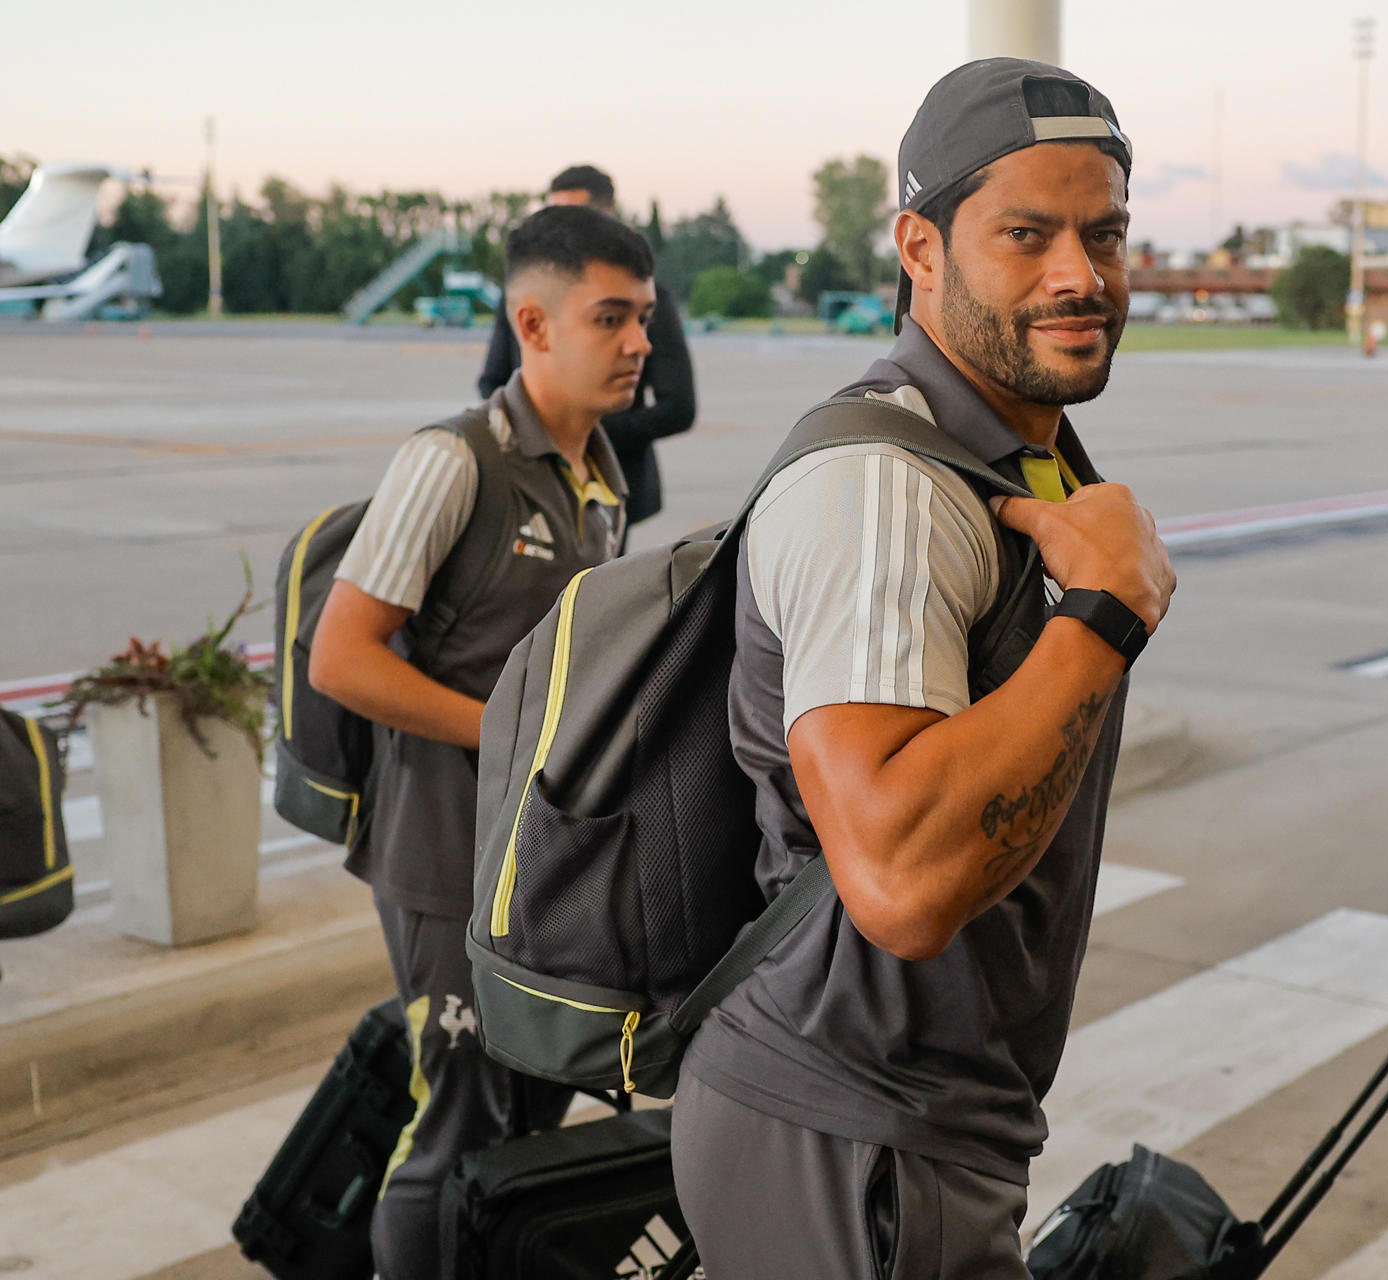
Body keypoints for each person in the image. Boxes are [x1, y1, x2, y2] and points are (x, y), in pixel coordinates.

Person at [670, 58, 1175, 1278]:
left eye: (1105, 234)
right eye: (1027, 234)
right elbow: (896, 875)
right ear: (921, 247)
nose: (1081, 275)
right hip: (852, 1122)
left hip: (918, 1115)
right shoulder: (887, 486)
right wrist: (1104, 616)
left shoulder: (1015, 453)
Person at [309, 206, 654, 1280]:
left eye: (644, 316)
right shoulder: (451, 462)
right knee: (453, 1123)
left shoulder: (604, 476)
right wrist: (512, 739)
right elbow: (342, 657)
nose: (640, 341)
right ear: (532, 324)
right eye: (611, 317)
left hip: (539, 861)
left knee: (525, 1112)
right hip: (443, 853)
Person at [478, 164, 694, 526]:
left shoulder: (647, 297)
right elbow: (492, 379)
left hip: (616, 487)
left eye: (572, 215)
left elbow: (679, 407)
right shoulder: (522, 293)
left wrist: (583, 435)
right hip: (532, 480)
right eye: (552, 215)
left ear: (606, 216)